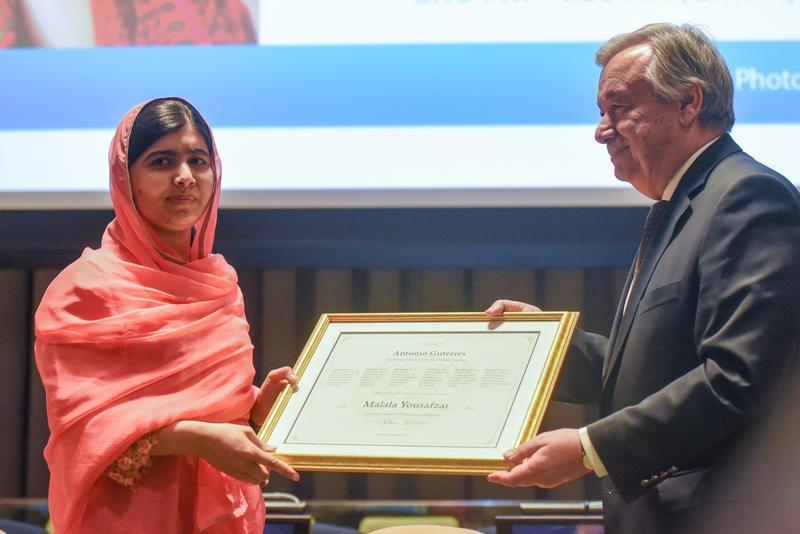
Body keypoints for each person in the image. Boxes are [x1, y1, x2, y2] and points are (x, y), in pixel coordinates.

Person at [484, 23, 800, 534]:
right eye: (599, 112)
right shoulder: (686, 205)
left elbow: (737, 378)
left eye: (618, 109)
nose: (601, 130)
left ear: (688, 103)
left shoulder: (747, 198)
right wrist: (548, 347)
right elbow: (658, 371)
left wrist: (590, 449)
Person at [34, 97, 300, 533]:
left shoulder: (219, 282)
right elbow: (83, 432)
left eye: (198, 160)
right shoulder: (84, 289)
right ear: (126, 179)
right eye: (161, 161)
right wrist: (198, 438)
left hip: (226, 516)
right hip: (127, 518)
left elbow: (201, 408)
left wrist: (255, 410)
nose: (185, 177)